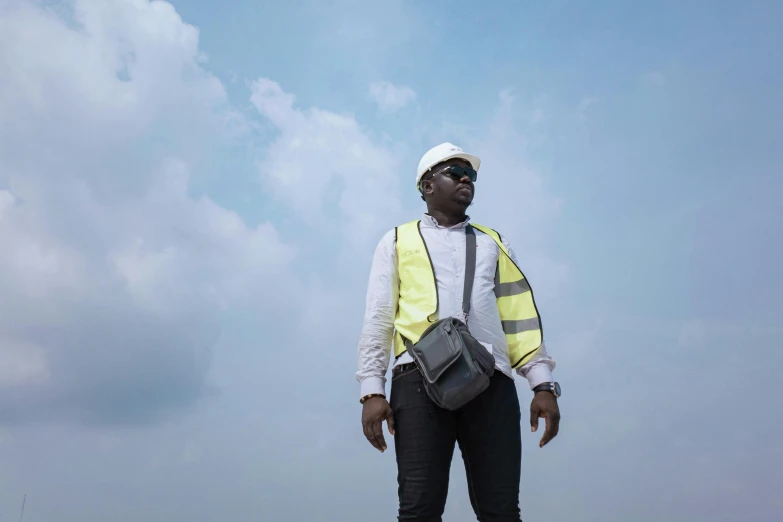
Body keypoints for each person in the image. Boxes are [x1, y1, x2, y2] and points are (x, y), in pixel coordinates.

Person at [356, 142, 562, 521]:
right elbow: (379, 317)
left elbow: (518, 317)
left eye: (472, 174)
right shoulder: (398, 240)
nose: (467, 178)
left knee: (500, 510)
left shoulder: (493, 242)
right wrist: (372, 389)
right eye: (455, 171)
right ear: (427, 185)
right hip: (417, 380)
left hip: (490, 380)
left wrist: (542, 384)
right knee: (419, 508)